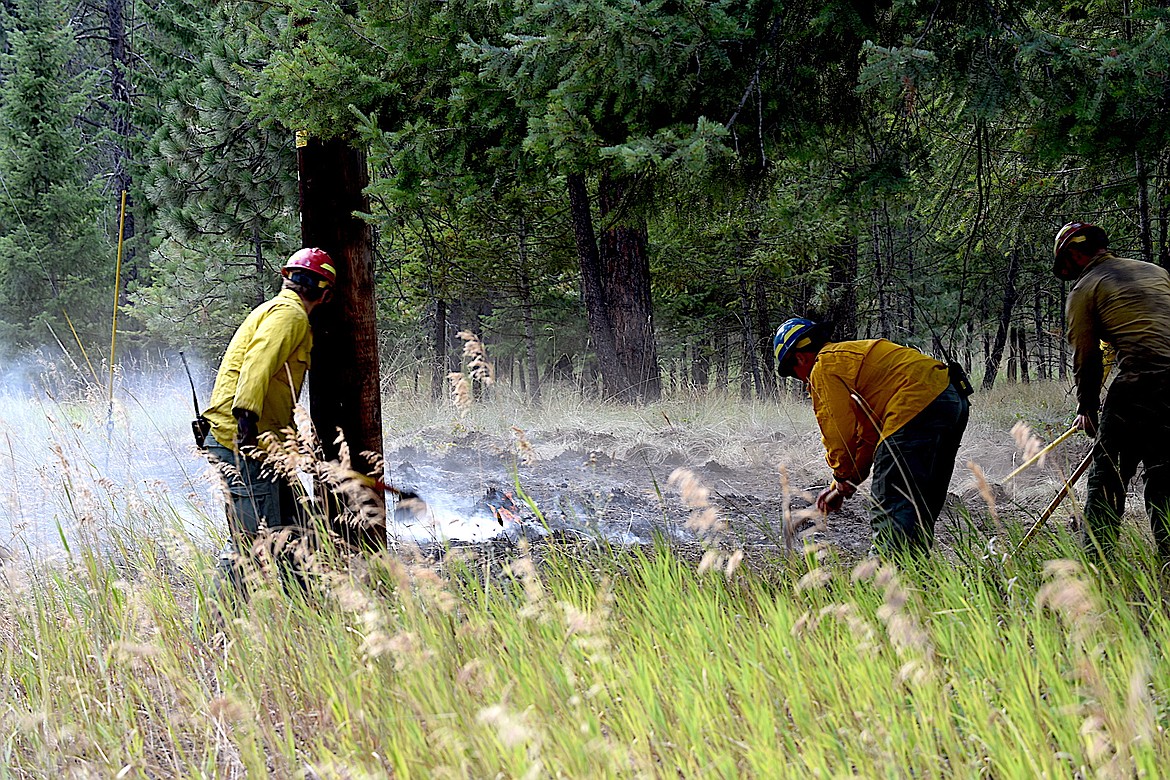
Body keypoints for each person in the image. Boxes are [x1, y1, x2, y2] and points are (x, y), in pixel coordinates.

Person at [202, 247, 336, 598]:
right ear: (326, 294)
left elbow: (272, 382)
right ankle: (212, 636)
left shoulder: (276, 310)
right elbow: (257, 364)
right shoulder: (290, 316)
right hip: (244, 444)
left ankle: (311, 615)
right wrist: (246, 419)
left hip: (264, 445)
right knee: (252, 546)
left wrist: (289, 442)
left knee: (300, 532)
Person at [773, 319, 971, 556]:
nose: (802, 381)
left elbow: (838, 433)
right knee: (919, 507)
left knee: (893, 507)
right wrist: (844, 485)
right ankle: (916, 578)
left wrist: (842, 474)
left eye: (794, 374)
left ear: (801, 358)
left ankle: (888, 577)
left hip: (914, 406)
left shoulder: (823, 366)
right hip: (950, 400)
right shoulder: (855, 362)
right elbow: (869, 435)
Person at [1054, 221, 1170, 563]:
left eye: (1066, 263)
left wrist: (1087, 407)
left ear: (1075, 253)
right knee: (1166, 477)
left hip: (1139, 384)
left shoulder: (1086, 287)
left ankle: (1096, 566)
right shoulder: (1157, 273)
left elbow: (1086, 355)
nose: (1068, 271)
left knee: (1107, 480)